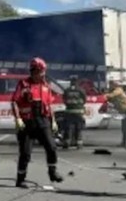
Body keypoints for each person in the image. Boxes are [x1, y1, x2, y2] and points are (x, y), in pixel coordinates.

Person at [11, 57, 64, 188]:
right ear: (34, 71)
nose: (43, 74)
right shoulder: (23, 84)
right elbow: (14, 102)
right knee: (25, 153)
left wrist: (53, 121)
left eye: (43, 72)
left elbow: (49, 105)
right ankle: (20, 179)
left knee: (51, 147)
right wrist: (17, 118)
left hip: (43, 121)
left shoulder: (46, 85)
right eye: (41, 72)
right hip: (27, 123)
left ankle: (52, 172)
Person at [105, 80, 126, 147]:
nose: (110, 86)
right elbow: (110, 99)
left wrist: (103, 96)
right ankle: (124, 142)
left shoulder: (118, 90)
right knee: (124, 128)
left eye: (111, 84)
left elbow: (111, 95)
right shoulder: (113, 91)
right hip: (124, 111)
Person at [61, 76, 86, 149]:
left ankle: (66, 143)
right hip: (78, 112)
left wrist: (69, 105)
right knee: (78, 127)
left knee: (67, 127)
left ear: (71, 82)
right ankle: (79, 143)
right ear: (77, 82)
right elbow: (84, 100)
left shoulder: (67, 90)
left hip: (69, 111)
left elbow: (64, 100)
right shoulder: (81, 90)